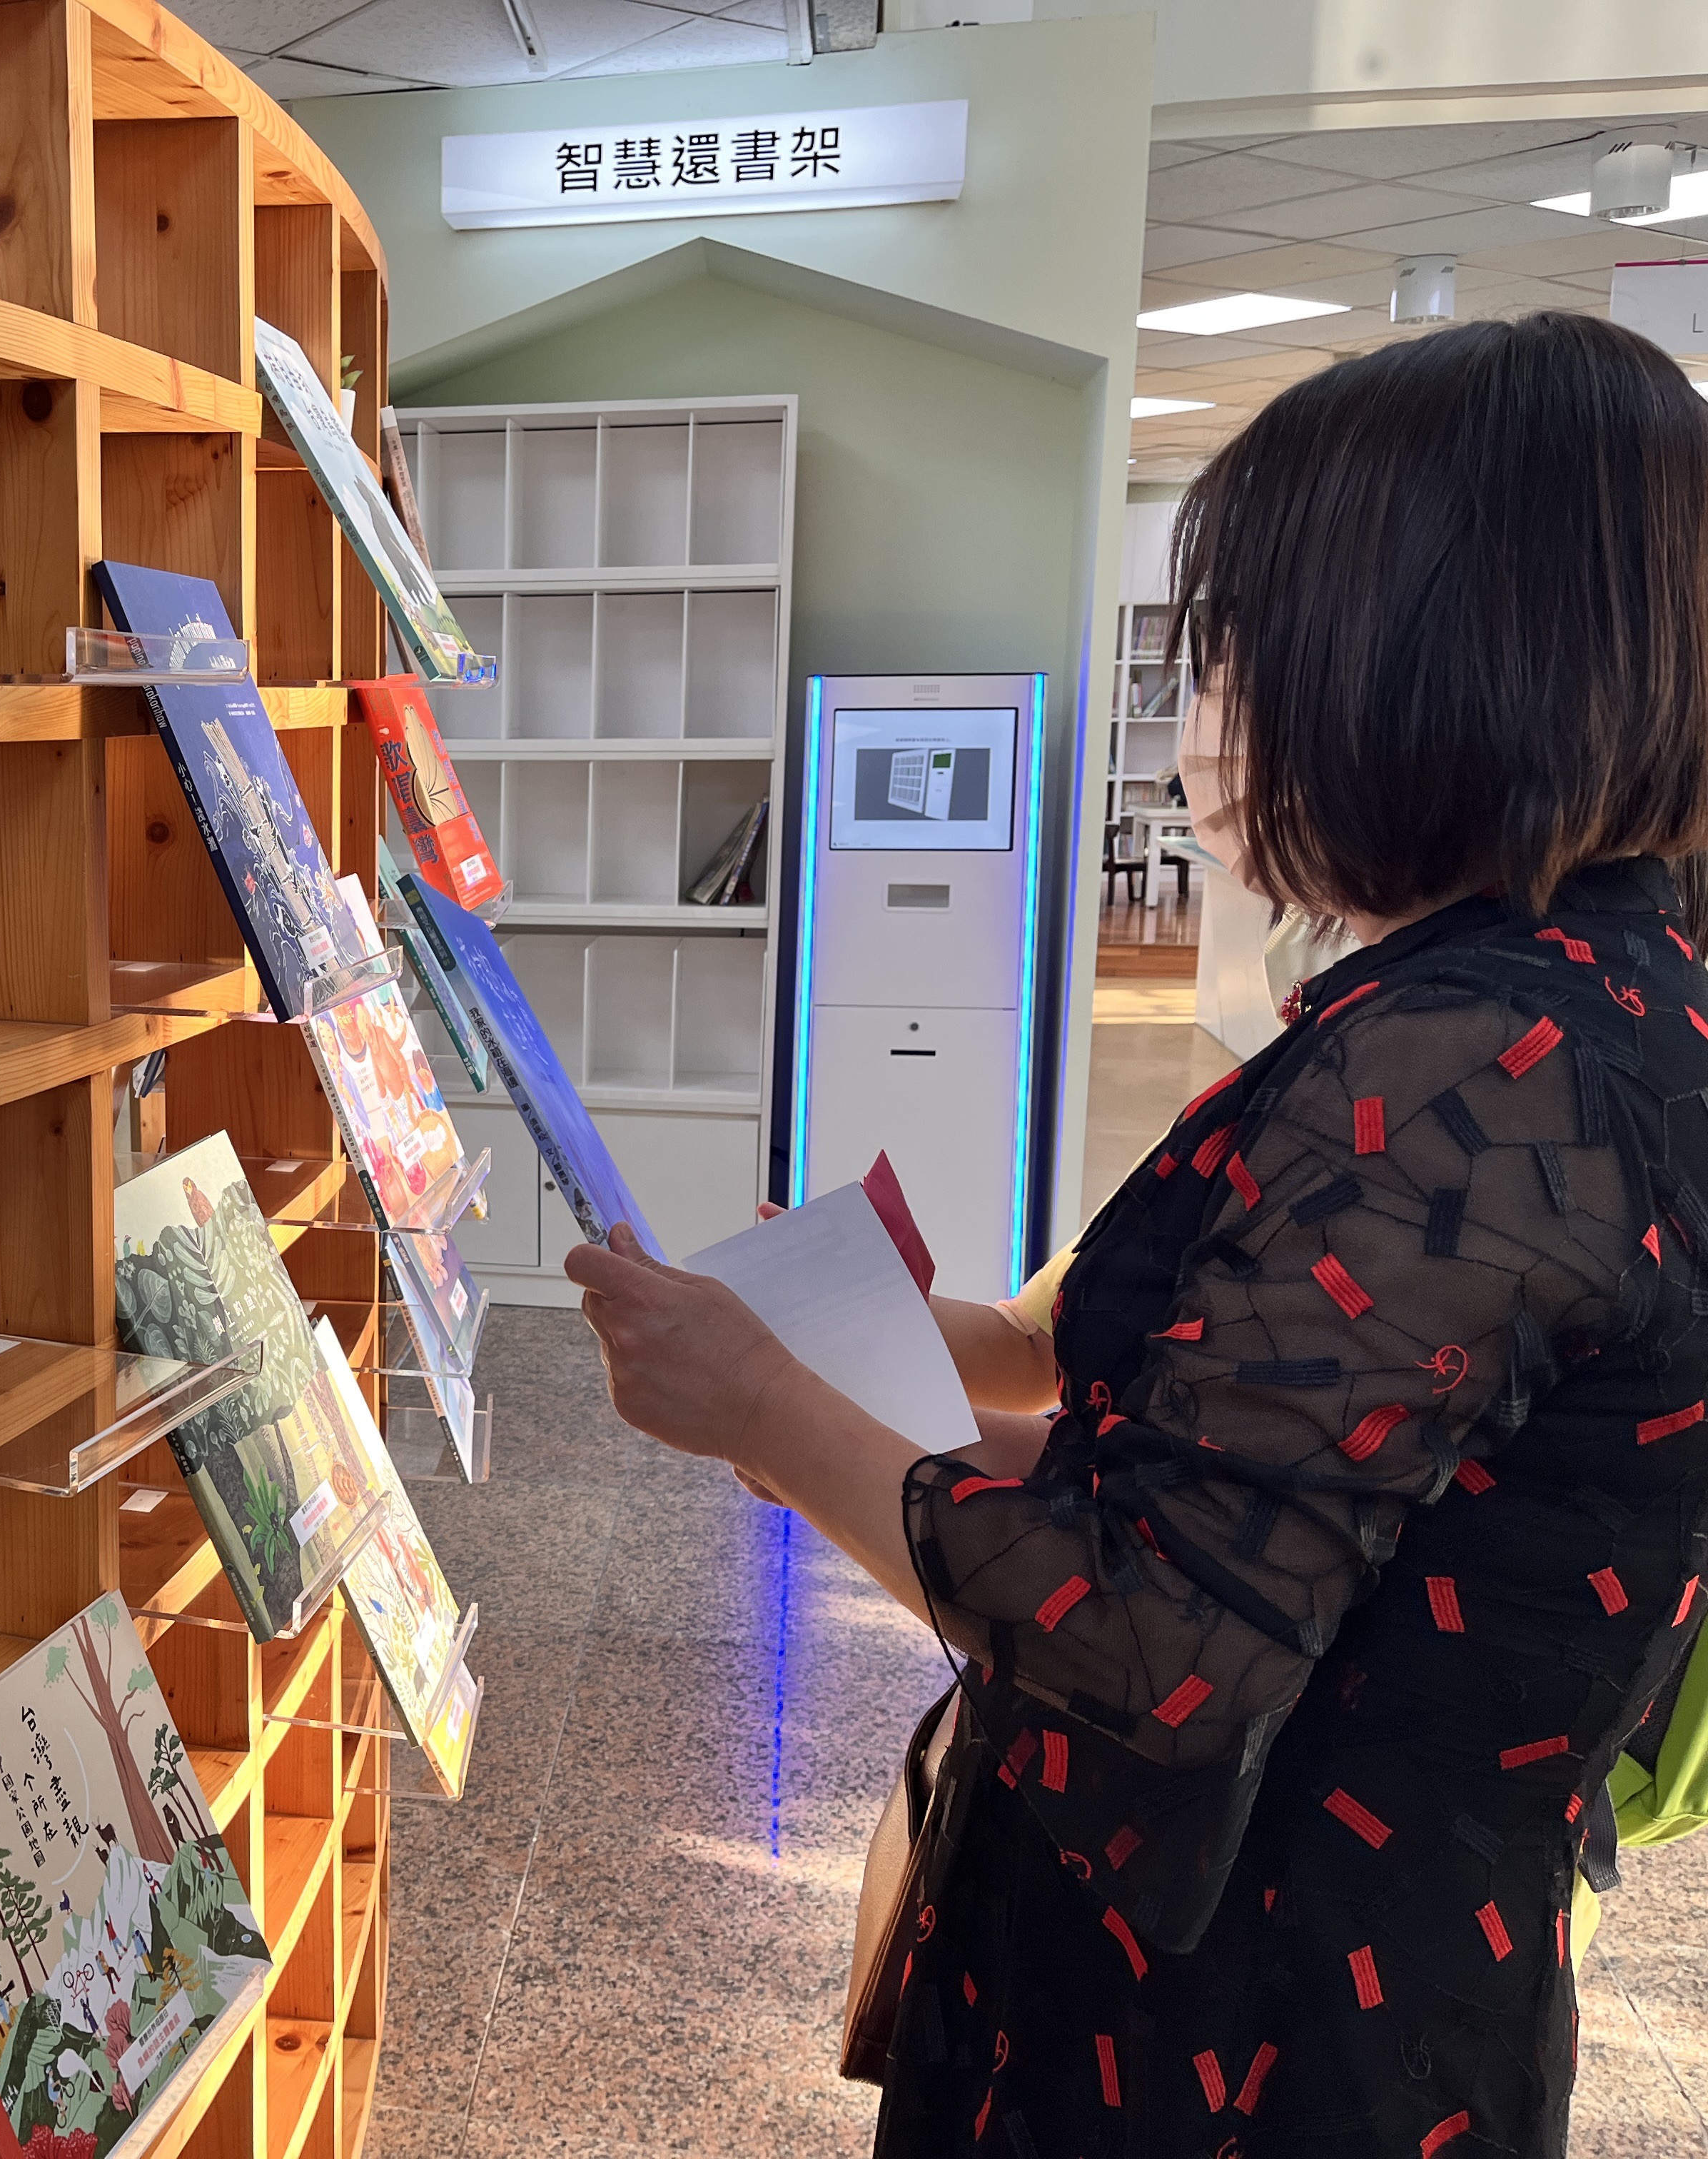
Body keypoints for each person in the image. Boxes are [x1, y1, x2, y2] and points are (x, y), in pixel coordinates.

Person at [568, 311, 1708, 2158]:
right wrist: (841, 1401)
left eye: (1250, 644)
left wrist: (767, 1409)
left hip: (1253, 2039)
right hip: (1379, 1990)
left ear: (1423, 657)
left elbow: (1151, 1656)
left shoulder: (1471, 1065)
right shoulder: (1591, 1006)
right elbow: (1270, 1512)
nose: (1215, 709)